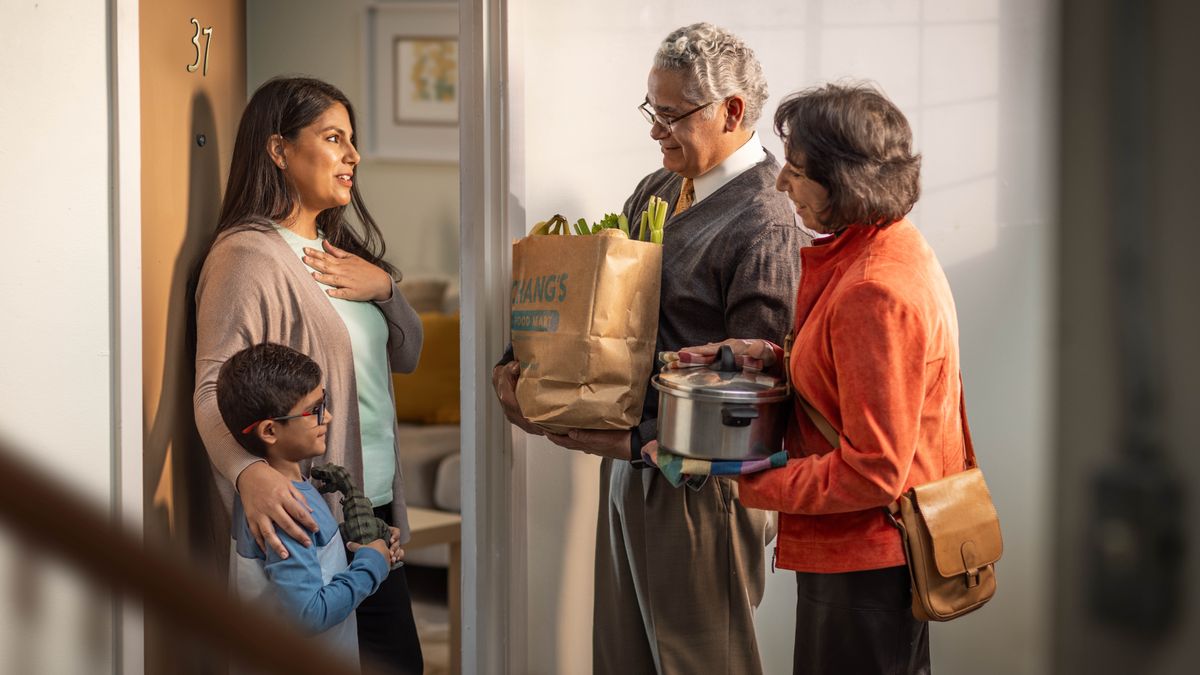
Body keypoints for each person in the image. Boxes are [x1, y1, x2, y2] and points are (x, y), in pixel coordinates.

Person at [493, 23, 806, 675]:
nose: (655, 131)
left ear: (732, 111)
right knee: (622, 658)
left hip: (701, 488)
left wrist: (639, 439)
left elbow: (757, 396)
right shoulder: (656, 191)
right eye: (651, 110)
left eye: (670, 116)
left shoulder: (767, 219)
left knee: (701, 663)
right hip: (629, 471)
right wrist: (523, 365)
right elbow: (600, 306)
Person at [672, 83, 954, 674]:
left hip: (865, 566)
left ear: (846, 182)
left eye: (796, 172)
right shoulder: (883, 249)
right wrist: (764, 356)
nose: (780, 183)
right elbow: (847, 372)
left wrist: (744, 481)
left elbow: (873, 470)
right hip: (868, 560)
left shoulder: (875, 288)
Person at [194, 77, 424, 674]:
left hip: (370, 510)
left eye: (353, 140)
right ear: (279, 150)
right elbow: (211, 387)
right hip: (314, 521)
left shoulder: (337, 251)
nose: (352, 155)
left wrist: (388, 290)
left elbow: (407, 356)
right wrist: (248, 475)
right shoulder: (247, 256)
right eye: (333, 137)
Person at [217, 343, 402, 669]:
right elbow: (308, 615)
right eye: (315, 409)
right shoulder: (285, 509)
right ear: (270, 430)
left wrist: (362, 545)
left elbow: (314, 557)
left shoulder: (286, 490)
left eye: (324, 401)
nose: (327, 416)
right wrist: (372, 564)